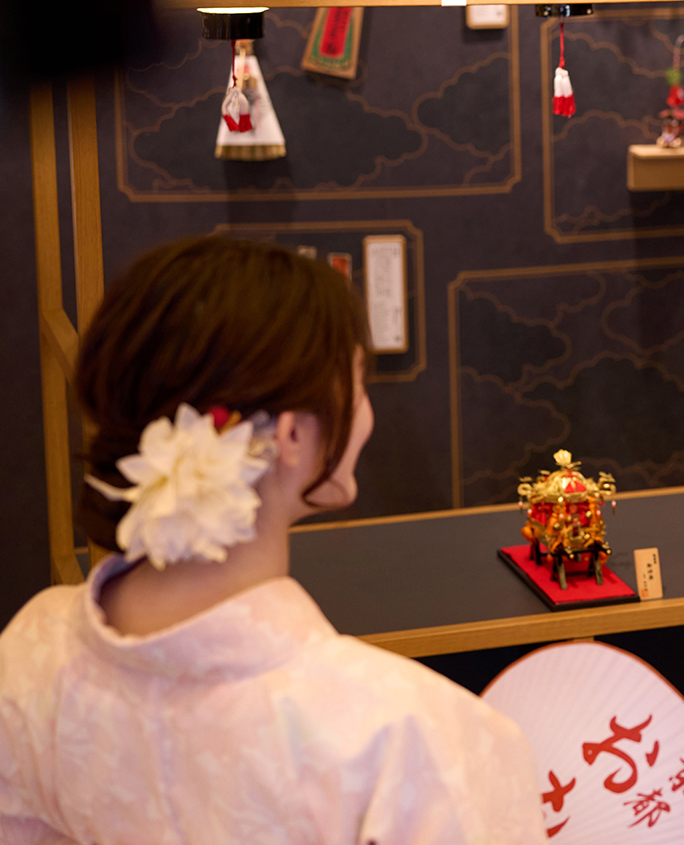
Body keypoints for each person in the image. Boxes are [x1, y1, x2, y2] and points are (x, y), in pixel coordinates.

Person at [0, 236, 546, 845]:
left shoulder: (31, 651)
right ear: (289, 435)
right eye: (360, 382)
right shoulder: (402, 734)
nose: (366, 411)